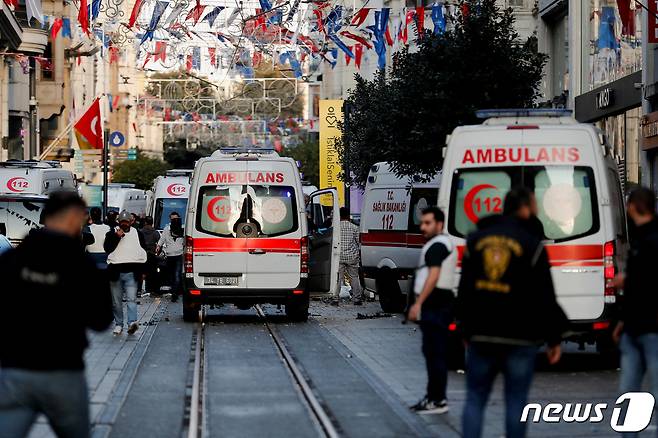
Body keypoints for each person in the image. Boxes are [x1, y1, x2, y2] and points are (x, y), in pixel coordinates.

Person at [0, 192, 113, 438]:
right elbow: (101, 321)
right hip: (63, 371)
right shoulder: (82, 267)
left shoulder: (11, 260)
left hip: (13, 372)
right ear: (73, 218)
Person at [457, 187, 566, 438]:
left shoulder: (476, 240)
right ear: (526, 207)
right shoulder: (532, 244)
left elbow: (465, 289)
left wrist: (463, 327)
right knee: (516, 401)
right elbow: (544, 296)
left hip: (481, 333)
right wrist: (554, 338)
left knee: (475, 399)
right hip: (520, 336)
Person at [612, 187, 658, 436]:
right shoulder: (640, 237)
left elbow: (648, 281)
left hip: (652, 327)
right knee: (627, 394)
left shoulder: (651, 238)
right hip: (634, 327)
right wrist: (622, 320)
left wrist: (626, 281)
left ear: (635, 206)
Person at [407, 207, 457, 414]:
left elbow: (434, 275)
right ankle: (433, 397)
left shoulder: (438, 246)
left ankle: (437, 400)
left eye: (428, 223)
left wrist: (419, 303)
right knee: (433, 353)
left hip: (436, 307)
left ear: (439, 224)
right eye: (422, 223)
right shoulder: (440, 244)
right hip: (437, 306)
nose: (423, 227)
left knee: (435, 354)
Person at [105, 210, 147, 335]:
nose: (124, 224)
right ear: (118, 222)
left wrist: (143, 271)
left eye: (126, 222)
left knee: (131, 299)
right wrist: (116, 237)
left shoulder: (137, 234)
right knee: (116, 301)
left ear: (131, 222)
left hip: (132, 272)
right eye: (122, 222)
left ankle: (131, 323)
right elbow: (107, 248)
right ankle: (119, 324)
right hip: (115, 272)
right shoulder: (111, 233)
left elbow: (143, 252)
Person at [336, 207, 364, 305]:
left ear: (339, 215)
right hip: (352, 256)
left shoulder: (336, 227)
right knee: (354, 277)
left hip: (338, 256)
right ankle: (357, 298)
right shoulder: (355, 227)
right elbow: (359, 243)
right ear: (348, 216)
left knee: (338, 278)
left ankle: (335, 298)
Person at [157, 211, 184, 303]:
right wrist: (158, 247)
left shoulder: (183, 228)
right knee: (172, 275)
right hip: (170, 255)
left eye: (176, 219)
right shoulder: (166, 229)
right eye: (173, 219)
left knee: (177, 274)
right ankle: (175, 290)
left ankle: (175, 293)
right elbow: (162, 240)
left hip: (179, 255)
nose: (174, 220)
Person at [141, 216, 161, 294]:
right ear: (152, 222)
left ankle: (144, 288)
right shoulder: (155, 232)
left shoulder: (141, 232)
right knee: (153, 272)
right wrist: (158, 252)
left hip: (143, 254)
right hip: (152, 254)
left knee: (143, 272)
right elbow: (160, 243)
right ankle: (153, 289)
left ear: (145, 222)